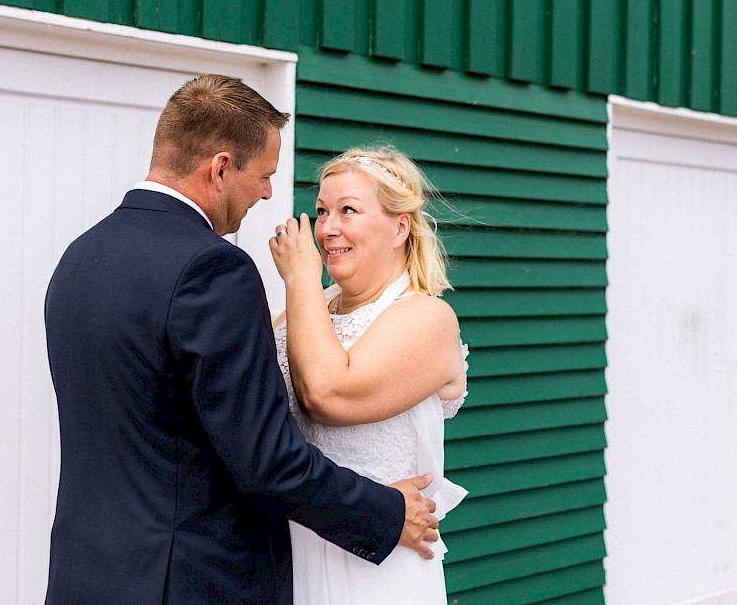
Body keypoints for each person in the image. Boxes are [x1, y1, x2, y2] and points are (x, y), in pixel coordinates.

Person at [43, 76, 439, 605]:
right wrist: (385, 514)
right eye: (264, 175)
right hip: (184, 581)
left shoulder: (80, 256)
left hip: (88, 574)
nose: (269, 193)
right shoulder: (211, 267)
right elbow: (267, 460)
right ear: (222, 167)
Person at [269, 147, 469, 604]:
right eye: (321, 211)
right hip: (295, 550)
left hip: (376, 564)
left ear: (400, 227)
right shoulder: (303, 312)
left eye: (348, 211)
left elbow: (327, 394)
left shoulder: (427, 317)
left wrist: (302, 279)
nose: (327, 228)